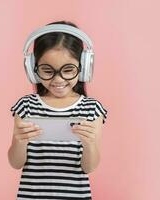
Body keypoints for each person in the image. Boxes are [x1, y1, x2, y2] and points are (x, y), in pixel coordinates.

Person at [7, 20, 108, 200]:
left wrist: (89, 144)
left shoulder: (92, 108)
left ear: (83, 67)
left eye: (68, 70)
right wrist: (19, 141)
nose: (58, 79)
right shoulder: (26, 106)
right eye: (47, 70)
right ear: (33, 69)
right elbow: (16, 163)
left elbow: (89, 167)